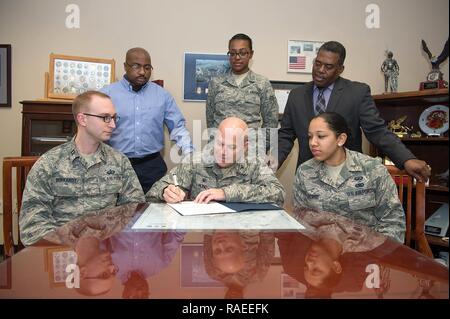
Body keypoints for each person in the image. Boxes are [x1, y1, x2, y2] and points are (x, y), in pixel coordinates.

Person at [277, 41, 431, 183]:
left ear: (340, 69)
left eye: (328, 66)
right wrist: (271, 163)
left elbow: (377, 131)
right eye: (317, 64)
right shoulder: (296, 95)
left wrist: (406, 159)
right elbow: (285, 135)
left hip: (347, 180)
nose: (320, 70)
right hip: (308, 178)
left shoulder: (357, 93)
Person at [19, 91, 145, 246]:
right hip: (63, 255)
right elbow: (32, 224)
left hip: (107, 252)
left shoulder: (119, 161)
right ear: (82, 119)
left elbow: (135, 210)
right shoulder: (49, 163)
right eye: (106, 117)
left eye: (114, 118)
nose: (113, 124)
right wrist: (73, 248)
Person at [293, 112, 405, 242]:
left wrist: (374, 252)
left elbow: (393, 220)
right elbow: (300, 220)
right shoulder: (305, 172)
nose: (313, 143)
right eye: (310, 137)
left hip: (366, 253)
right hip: (322, 252)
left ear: (340, 139)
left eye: (321, 136)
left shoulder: (371, 169)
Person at [101, 47, 194, 193]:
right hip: (115, 165)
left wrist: (190, 155)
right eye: (136, 66)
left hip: (151, 167)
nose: (142, 72)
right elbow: (95, 130)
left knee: (154, 211)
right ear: (125, 66)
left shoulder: (162, 95)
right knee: (117, 212)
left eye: (147, 67)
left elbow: (177, 127)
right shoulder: (106, 94)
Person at [147, 117, 285, 206]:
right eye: (220, 144)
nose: (223, 152)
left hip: (240, 235)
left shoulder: (254, 163)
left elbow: (279, 194)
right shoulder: (196, 161)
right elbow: (153, 192)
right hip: (203, 233)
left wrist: (227, 193)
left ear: (245, 146)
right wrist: (166, 191)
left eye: (232, 147)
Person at [206, 33, 279, 154]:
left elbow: (271, 122)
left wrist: (260, 148)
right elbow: (210, 120)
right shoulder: (216, 83)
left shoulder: (262, 83)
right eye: (233, 53)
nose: (237, 57)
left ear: (251, 54)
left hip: (251, 152)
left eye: (242, 52)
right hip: (221, 151)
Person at [203, 231, 274, 298]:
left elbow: (208, 239)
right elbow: (267, 243)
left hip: (221, 228)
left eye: (229, 299)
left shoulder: (212, 272)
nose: (233, 297)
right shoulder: (258, 274)